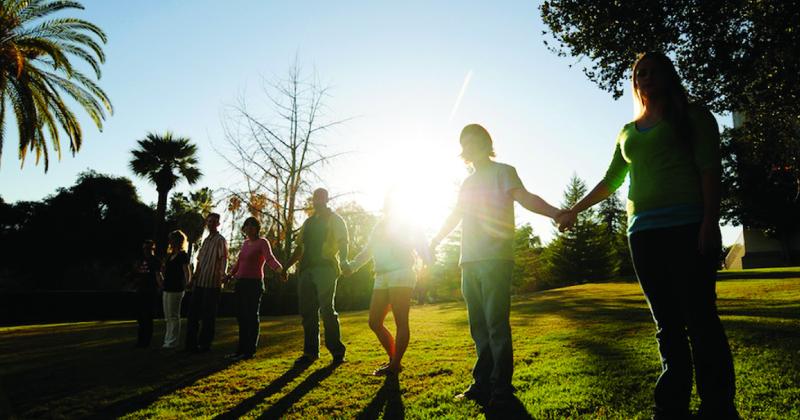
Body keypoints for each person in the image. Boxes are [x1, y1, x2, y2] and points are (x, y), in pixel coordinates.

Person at [557, 52, 738, 419]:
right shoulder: (627, 131)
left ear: (668, 76)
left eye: (654, 71)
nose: (646, 77)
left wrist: (709, 222)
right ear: (634, 82)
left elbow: (708, 170)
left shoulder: (694, 117)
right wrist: (574, 209)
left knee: (700, 319)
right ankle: (671, 408)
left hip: (687, 227)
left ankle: (717, 407)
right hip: (643, 233)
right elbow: (612, 180)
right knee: (667, 325)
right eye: (640, 73)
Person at [430, 124, 563, 408]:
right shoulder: (467, 183)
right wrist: (435, 240)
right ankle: (482, 384)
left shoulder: (504, 171)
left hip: (495, 260)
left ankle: (501, 387)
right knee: (478, 327)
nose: (469, 146)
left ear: (486, 142)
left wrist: (555, 213)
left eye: (474, 140)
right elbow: (455, 215)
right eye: (464, 142)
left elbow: (525, 198)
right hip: (469, 261)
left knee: (496, 325)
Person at [348, 193, 432, 376]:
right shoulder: (379, 226)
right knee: (374, 322)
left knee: (401, 321)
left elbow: (421, 243)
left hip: (402, 272)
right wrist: (352, 266)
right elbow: (368, 250)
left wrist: (427, 260)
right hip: (381, 275)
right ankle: (394, 359)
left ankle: (395, 364)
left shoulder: (408, 223)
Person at [286, 188, 349, 366]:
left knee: (327, 310)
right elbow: (299, 248)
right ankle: (310, 352)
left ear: (327, 199)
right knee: (308, 313)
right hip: (306, 270)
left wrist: (344, 261)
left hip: (326, 269)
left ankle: (337, 351)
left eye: (321, 197)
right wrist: (285, 267)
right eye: (315, 198)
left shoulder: (335, 220)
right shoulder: (308, 223)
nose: (317, 200)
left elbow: (343, 242)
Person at [225, 217, 284, 360]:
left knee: (251, 317)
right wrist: (229, 275)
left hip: (254, 284)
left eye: (252, 226)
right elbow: (239, 262)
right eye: (247, 226)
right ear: (244, 229)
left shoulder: (262, 242)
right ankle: (240, 350)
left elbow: (269, 258)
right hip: (241, 283)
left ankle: (249, 351)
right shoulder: (245, 244)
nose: (249, 229)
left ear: (257, 228)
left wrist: (280, 270)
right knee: (241, 317)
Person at [185, 213, 228, 353]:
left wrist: (222, 275)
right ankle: (190, 345)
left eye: (213, 222)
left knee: (208, 317)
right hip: (200, 283)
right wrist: (194, 278)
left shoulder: (220, 240)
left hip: (212, 284)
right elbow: (199, 261)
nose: (210, 224)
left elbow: (223, 259)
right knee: (193, 315)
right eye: (208, 221)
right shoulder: (206, 240)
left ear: (218, 224)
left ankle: (204, 345)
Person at [162, 230, 190, 349]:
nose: (170, 241)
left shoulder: (183, 255)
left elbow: (186, 271)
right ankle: (167, 340)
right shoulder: (170, 255)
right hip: (167, 287)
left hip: (177, 288)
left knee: (174, 315)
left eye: (172, 239)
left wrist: (187, 283)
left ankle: (173, 342)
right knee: (167, 316)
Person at [133, 240, 162, 348]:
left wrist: (160, 287)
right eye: (144, 248)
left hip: (150, 291)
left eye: (148, 248)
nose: (145, 251)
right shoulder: (141, 260)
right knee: (140, 317)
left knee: (147, 317)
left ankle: (146, 341)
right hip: (141, 290)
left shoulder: (155, 261)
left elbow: (158, 275)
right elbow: (137, 273)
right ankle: (140, 340)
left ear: (152, 249)